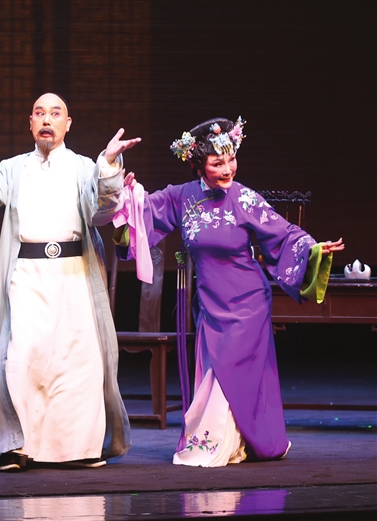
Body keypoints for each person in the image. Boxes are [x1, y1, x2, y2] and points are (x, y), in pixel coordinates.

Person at [117, 116, 344, 467]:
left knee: (231, 375)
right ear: (198, 165)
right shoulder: (182, 197)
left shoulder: (245, 199)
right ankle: (231, 441)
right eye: (217, 162)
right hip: (211, 303)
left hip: (247, 303)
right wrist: (124, 194)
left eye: (231, 159)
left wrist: (313, 250)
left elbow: (283, 234)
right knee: (215, 372)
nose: (227, 169)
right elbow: (144, 212)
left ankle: (225, 442)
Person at [0, 92, 141, 471]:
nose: (47, 119)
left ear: (67, 124)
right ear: (31, 124)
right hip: (27, 276)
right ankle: (13, 446)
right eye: (39, 113)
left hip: (73, 276)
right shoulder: (14, 168)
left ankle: (77, 449)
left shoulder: (84, 167)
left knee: (78, 362)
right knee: (21, 359)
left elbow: (101, 210)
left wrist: (109, 163)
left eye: (55, 113)